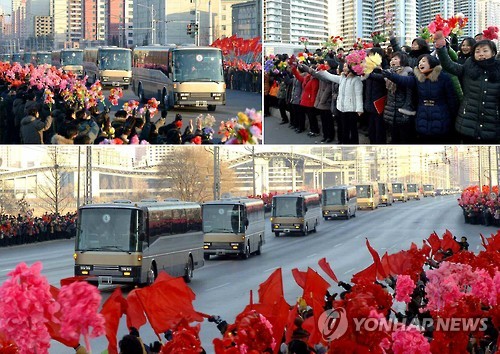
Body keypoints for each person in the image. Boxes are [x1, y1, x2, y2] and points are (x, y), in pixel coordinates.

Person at [435, 37, 500, 142]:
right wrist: (441, 49)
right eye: (477, 51)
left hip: (492, 126)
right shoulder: (468, 67)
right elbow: (449, 65)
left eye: (485, 51)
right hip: (467, 123)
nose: (481, 54)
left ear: (493, 53)